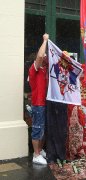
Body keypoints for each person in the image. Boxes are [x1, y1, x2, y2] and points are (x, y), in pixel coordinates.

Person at [28, 33, 49, 165]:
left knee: (43, 129)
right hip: (37, 104)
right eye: (44, 57)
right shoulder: (34, 69)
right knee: (37, 129)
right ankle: (35, 155)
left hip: (44, 104)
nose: (45, 58)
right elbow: (40, 55)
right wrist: (45, 40)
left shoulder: (44, 70)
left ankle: (40, 150)